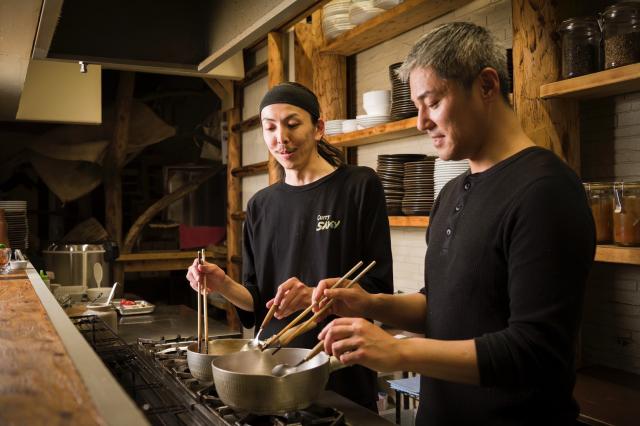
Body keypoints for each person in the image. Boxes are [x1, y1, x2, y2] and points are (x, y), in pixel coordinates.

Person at [313, 22, 596, 425]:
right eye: (417, 106)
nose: (420, 122)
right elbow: (441, 305)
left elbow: (536, 350)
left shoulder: (546, 190)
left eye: (432, 102)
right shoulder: (451, 193)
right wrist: (368, 303)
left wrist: (398, 352)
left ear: (485, 85)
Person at [186, 82, 393, 411]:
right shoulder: (260, 205)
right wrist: (222, 283)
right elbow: (257, 303)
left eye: (292, 123)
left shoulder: (358, 186)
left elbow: (378, 287)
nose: (280, 137)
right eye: (270, 127)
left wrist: (314, 293)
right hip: (275, 371)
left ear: (318, 128)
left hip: (340, 363)